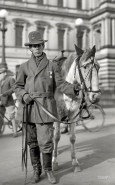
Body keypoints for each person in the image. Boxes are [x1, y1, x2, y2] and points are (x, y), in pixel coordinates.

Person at [13, 31, 80, 184]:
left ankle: (48, 171)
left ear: (43, 46)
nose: (37, 48)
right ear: (30, 48)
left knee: (46, 142)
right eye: (34, 46)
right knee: (32, 142)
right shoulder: (24, 67)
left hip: (45, 107)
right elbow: (17, 86)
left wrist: (74, 89)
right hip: (29, 108)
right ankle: (37, 170)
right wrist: (23, 95)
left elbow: (61, 84)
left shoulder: (52, 65)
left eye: (39, 45)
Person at [0, 67, 18, 138]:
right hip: (1, 101)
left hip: (9, 101)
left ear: (5, 73)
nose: (0, 75)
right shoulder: (0, 81)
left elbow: (14, 88)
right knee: (0, 117)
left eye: (1, 74)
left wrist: (5, 93)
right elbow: (0, 92)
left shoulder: (10, 79)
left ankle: (15, 132)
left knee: (12, 117)